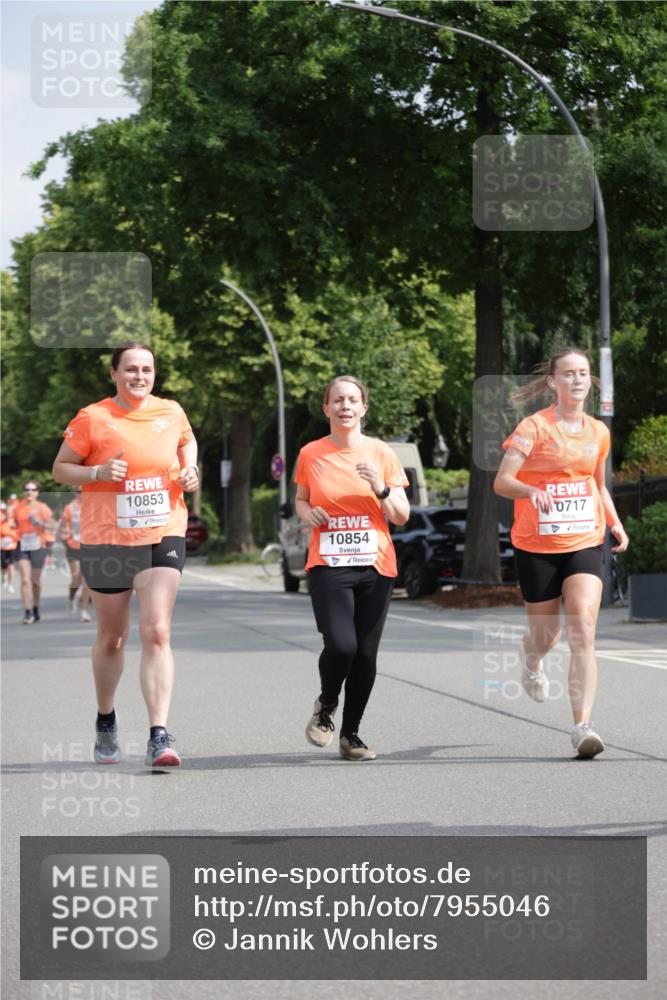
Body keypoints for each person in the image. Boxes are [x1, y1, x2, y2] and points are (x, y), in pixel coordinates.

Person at [52, 342, 199, 767]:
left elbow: (186, 443)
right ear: (113, 373)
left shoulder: (171, 411)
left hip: (162, 531)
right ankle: (105, 718)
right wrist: (96, 472)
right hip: (107, 539)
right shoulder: (92, 417)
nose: (140, 376)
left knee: (157, 631)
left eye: (147, 369)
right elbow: (60, 468)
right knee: (112, 638)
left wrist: (191, 469)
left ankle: (159, 735)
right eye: (131, 369)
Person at [494, 347, 629, 758]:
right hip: (536, 544)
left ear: (591, 381)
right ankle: (532, 661)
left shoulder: (598, 432)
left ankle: (582, 726)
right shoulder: (533, 428)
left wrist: (614, 521)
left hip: (584, 540)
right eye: (568, 373)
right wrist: (532, 491)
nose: (576, 380)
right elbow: (502, 482)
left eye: (583, 373)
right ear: (553, 381)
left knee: (583, 630)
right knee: (545, 635)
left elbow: (598, 484)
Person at [295, 375, 410, 761]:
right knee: (342, 644)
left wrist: (381, 486)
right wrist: (308, 513)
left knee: (365, 654)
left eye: (352, 400)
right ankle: (326, 705)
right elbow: (301, 499)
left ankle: (351, 735)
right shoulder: (312, 453)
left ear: (364, 408)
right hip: (328, 564)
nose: (345, 406)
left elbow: (402, 515)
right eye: (337, 400)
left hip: (376, 565)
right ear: (326, 408)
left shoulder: (382, 453)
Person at [11, 480, 56, 624]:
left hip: (38, 544)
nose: (29, 492)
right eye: (27, 489)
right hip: (22, 544)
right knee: (24, 579)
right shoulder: (18, 508)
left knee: (35, 581)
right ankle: (27, 612)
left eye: (33, 489)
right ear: (24, 492)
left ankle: (36, 607)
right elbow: (12, 523)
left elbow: (52, 525)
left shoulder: (42, 507)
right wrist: (12, 526)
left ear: (37, 492)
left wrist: (40, 522)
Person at [58, 488, 93, 621]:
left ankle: (83, 610)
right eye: (79, 491)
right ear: (75, 493)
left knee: (88, 580)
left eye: (84, 490)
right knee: (76, 580)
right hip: (73, 546)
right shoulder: (69, 507)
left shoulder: (93, 505)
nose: (82, 493)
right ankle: (72, 598)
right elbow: (62, 526)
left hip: (89, 546)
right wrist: (67, 530)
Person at [1, 501, 17, 593]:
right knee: (3, 566)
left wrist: (13, 536)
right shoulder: (1, 521)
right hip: (2, 546)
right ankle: (4, 578)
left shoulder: (14, 521)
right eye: (5, 511)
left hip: (12, 546)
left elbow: (19, 532)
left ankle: (10, 584)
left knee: (11, 566)